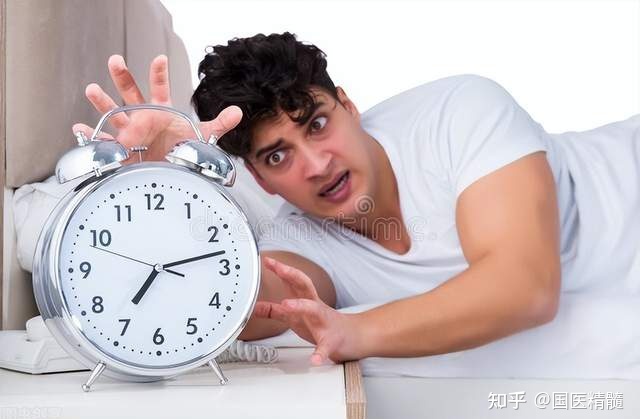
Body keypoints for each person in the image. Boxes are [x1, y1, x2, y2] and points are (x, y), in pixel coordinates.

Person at [73, 32, 640, 367]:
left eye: (317, 124)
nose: (317, 164)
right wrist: (159, 184)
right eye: (278, 156)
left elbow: (526, 288)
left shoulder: (459, 112)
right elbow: (228, 305)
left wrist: (358, 332)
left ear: (348, 105)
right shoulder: (296, 242)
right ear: (261, 181)